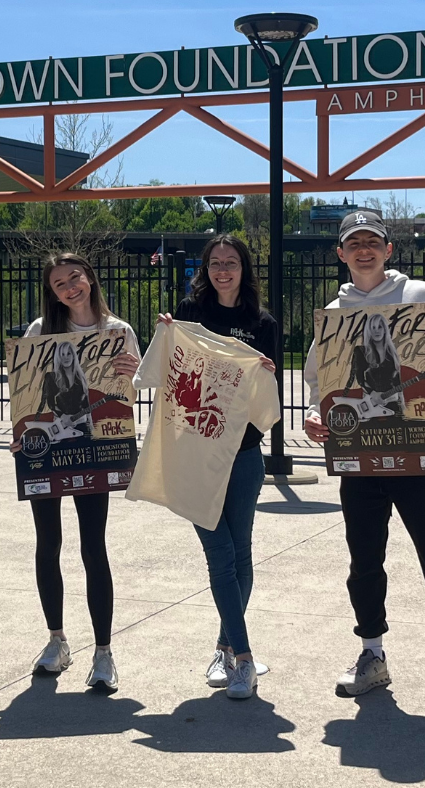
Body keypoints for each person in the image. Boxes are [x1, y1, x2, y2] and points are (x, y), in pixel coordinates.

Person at [304, 210, 425, 706]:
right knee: (364, 562)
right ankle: (372, 654)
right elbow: (320, 379)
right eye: (354, 242)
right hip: (360, 455)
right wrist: (315, 414)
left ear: (388, 250)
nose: (363, 249)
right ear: (340, 253)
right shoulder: (334, 313)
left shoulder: (422, 296)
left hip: (416, 449)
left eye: (372, 241)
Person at [10, 252, 140, 690]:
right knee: (47, 545)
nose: (70, 287)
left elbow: (134, 393)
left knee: (93, 547)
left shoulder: (118, 331)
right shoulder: (39, 332)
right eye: (59, 283)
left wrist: (135, 374)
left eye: (75, 277)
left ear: (89, 278)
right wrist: (22, 429)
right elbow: (29, 399)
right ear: (52, 292)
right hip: (48, 453)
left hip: (96, 450)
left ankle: (104, 653)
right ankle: (57, 640)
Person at [157, 234, 277, 700]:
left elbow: (267, 391)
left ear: (245, 269)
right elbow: (171, 373)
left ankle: (224, 646)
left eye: (231, 263)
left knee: (241, 553)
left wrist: (263, 371)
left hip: (244, 453)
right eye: (214, 263)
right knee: (220, 554)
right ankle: (244, 659)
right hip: (195, 453)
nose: (222, 270)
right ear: (204, 270)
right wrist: (166, 337)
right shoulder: (185, 317)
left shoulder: (261, 322)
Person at [343, 313, 404, 416]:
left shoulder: (391, 352)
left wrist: (402, 402)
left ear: (384, 329)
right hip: (371, 403)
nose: (376, 330)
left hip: (392, 402)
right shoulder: (361, 351)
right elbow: (360, 378)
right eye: (373, 328)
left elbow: (397, 380)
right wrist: (373, 393)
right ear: (368, 331)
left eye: (379, 327)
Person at [36, 340, 91, 437]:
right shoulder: (51, 377)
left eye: (68, 353)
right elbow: (50, 402)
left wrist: (90, 422)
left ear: (73, 355)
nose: (65, 357)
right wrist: (63, 416)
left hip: (82, 423)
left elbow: (86, 402)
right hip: (61, 425)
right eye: (62, 354)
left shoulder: (80, 377)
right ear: (58, 357)